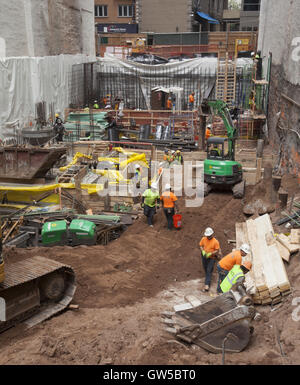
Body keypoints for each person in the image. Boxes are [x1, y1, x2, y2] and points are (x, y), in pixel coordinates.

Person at [199, 227, 220, 292]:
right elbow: (201, 245)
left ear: (212, 234)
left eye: (209, 236)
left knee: (209, 269)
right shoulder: (203, 239)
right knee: (205, 268)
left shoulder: (215, 241)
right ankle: (208, 277)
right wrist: (203, 251)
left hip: (212, 258)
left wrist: (210, 253)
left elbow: (217, 250)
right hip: (204, 256)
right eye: (207, 236)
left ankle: (207, 285)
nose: (208, 237)